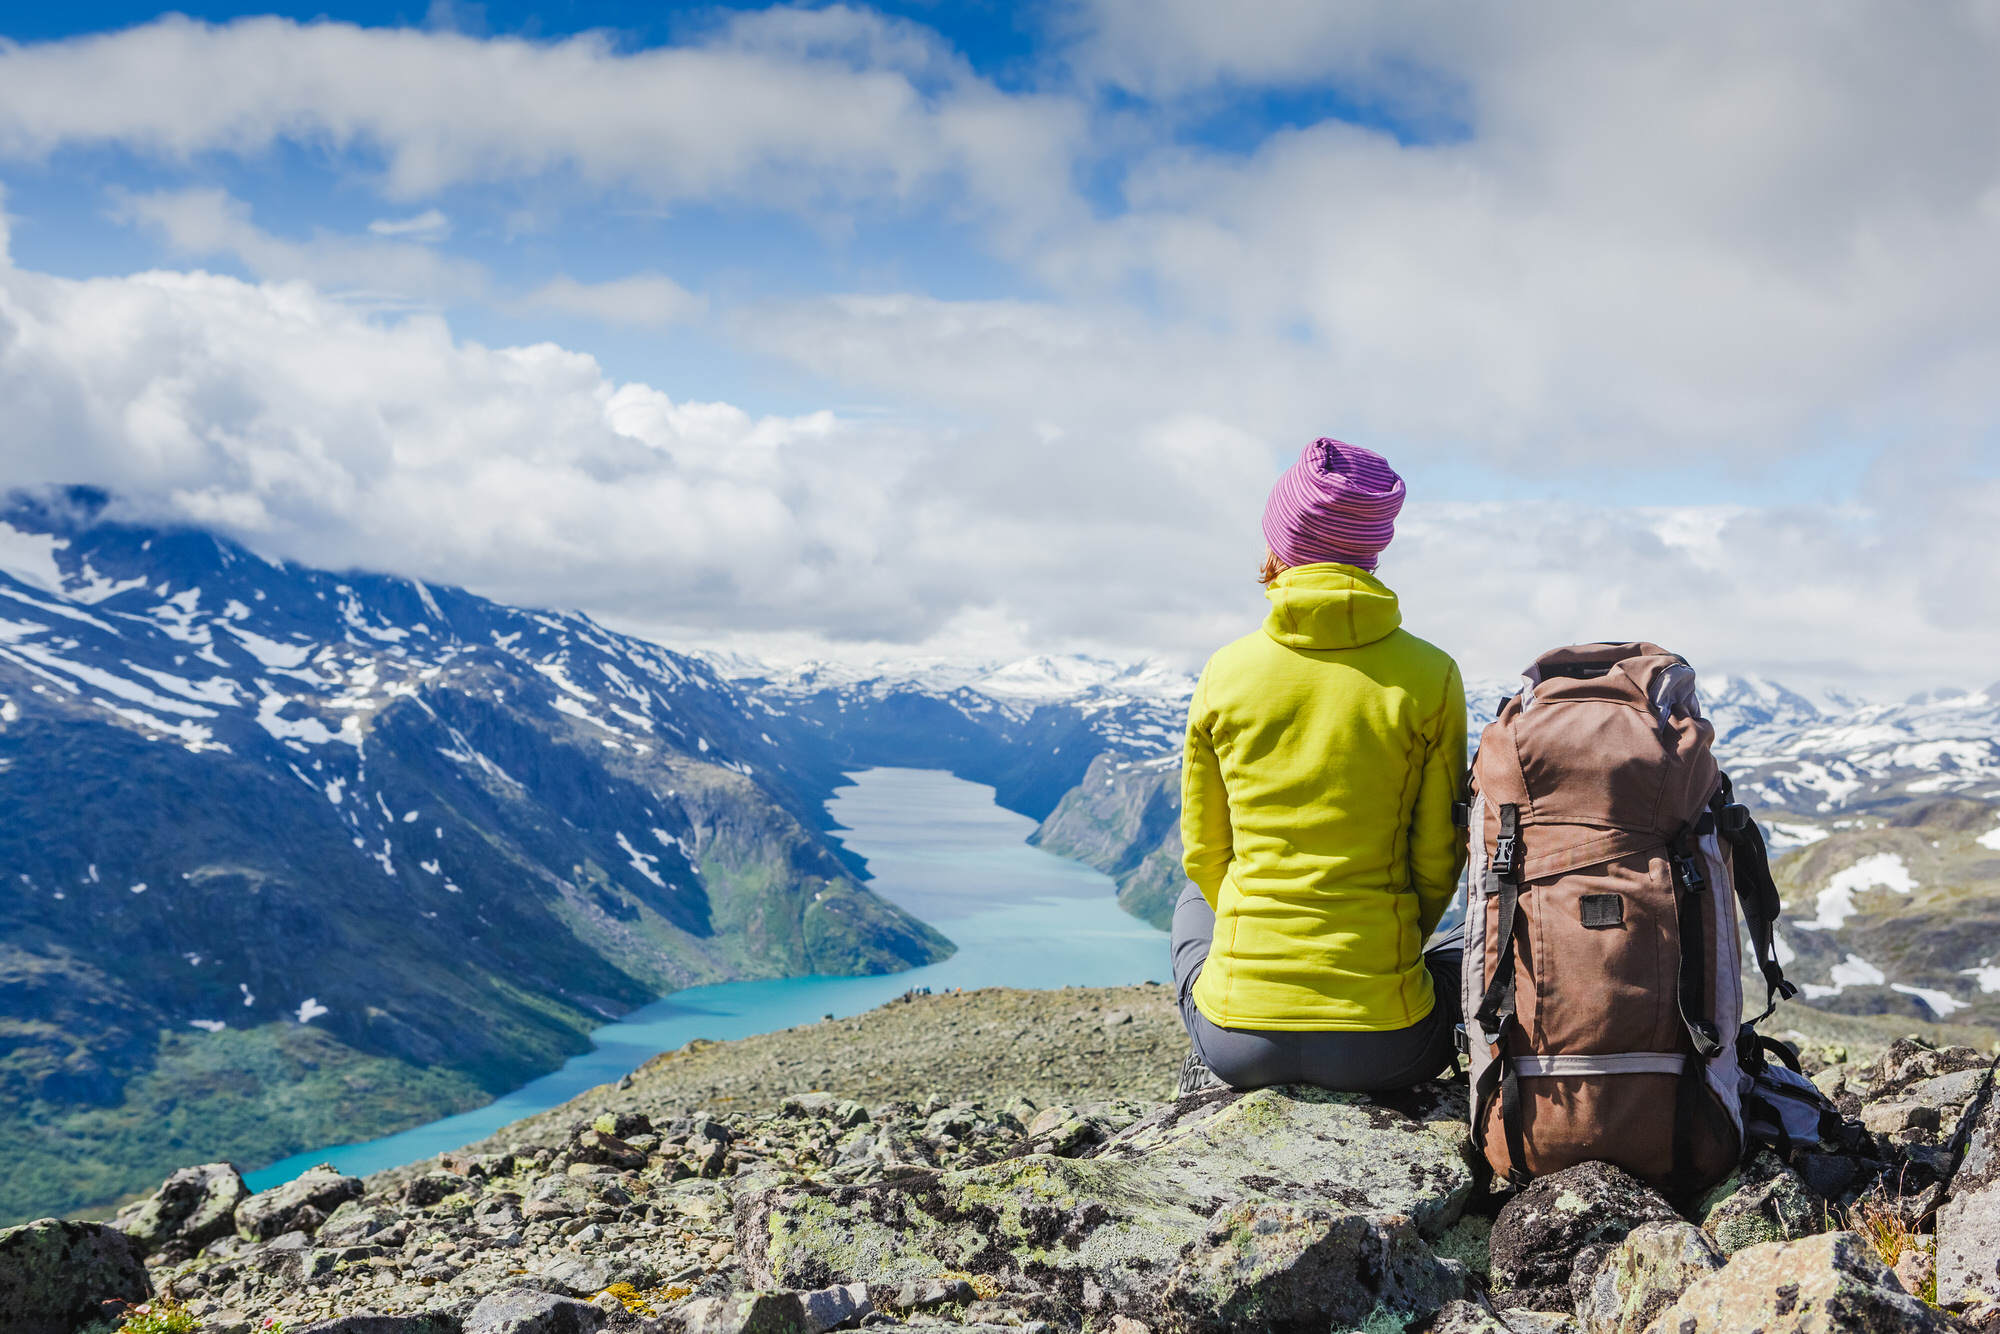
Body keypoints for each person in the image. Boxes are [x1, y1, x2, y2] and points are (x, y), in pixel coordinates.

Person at [1173, 437, 1468, 1095]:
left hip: (1235, 1040)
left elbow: (1204, 854)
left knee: (1193, 899)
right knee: (1469, 941)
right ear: (1373, 549)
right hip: (1385, 1044)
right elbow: (1437, 862)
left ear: (1280, 543)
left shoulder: (1224, 672)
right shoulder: (1432, 676)